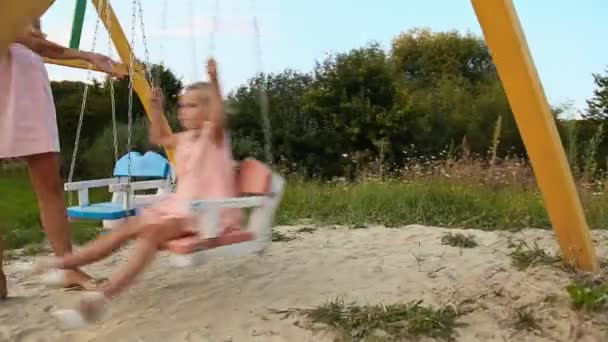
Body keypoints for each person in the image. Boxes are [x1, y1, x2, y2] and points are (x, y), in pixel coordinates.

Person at [33, 58, 243, 325]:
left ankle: (102, 298)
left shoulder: (214, 136)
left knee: (152, 234)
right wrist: (156, 109)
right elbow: (159, 138)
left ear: (209, 109)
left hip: (209, 214)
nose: (183, 111)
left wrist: (214, 81)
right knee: (127, 227)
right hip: (180, 208)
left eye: (191, 105)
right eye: (181, 106)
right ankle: (63, 264)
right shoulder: (184, 138)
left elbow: (219, 116)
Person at [0, 19, 123, 299]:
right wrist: (84, 54)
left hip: (28, 82)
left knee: (49, 186)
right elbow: (19, 35)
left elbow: (33, 41)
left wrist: (84, 54)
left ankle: (68, 266)